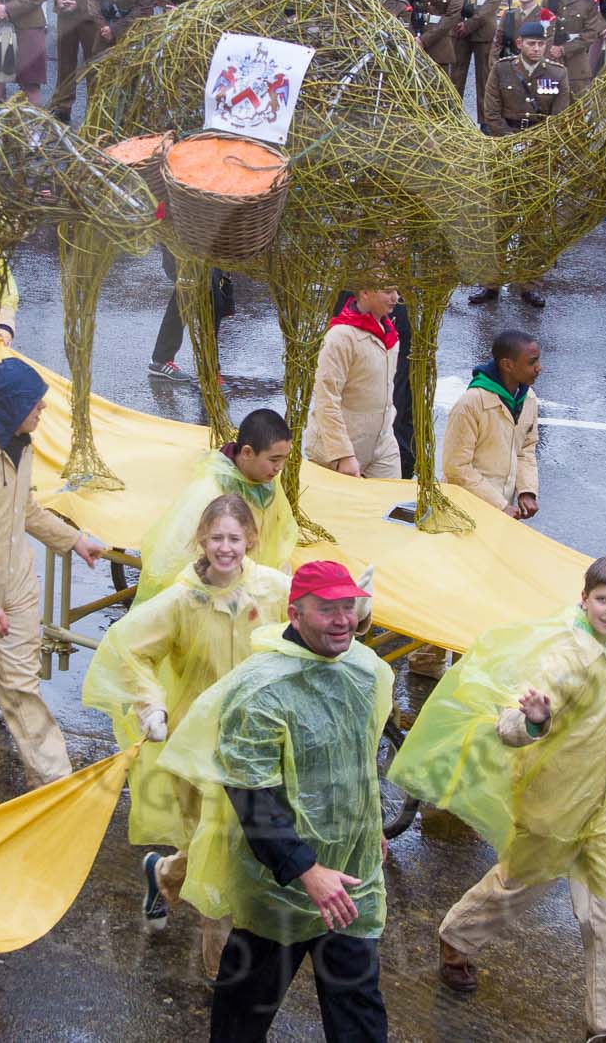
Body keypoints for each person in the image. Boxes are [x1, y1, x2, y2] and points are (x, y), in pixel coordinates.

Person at [393, 556, 606, 1039]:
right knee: (520, 882)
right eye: (603, 600)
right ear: (584, 599)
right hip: (555, 802)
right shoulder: (564, 659)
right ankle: (458, 935)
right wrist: (533, 719)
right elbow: (510, 725)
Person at [158, 561, 392, 1042]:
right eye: (327, 610)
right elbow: (250, 795)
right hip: (278, 884)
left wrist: (369, 830)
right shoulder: (261, 689)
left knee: (359, 1015)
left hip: (352, 877)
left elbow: (357, 761)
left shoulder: (363, 670)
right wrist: (306, 869)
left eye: (348, 607)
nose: (343, 620)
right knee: (244, 1014)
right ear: (295, 614)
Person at [88, 495, 290, 966]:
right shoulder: (182, 600)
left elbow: (312, 616)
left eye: (234, 538)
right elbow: (128, 647)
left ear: (250, 540)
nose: (226, 548)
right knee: (217, 854)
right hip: (198, 743)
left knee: (228, 847)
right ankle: (220, 972)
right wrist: (150, 704)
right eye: (216, 537)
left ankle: (164, 874)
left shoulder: (271, 588)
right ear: (202, 540)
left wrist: (356, 613)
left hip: (257, 740)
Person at [0, 358, 105, 787]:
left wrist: (74, 540)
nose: (43, 409)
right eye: (36, 402)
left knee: (21, 685)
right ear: (13, 405)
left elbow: (26, 510)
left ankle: (53, 782)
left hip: (17, 584)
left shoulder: (22, 445)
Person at [135, 409, 299, 607]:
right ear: (247, 452)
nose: (279, 467)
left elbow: (278, 537)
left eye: (284, 458)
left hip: (249, 582)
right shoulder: (211, 491)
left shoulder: (265, 480)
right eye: (274, 460)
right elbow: (182, 555)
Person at [441, 329, 540, 520]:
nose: (539, 368)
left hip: (503, 511)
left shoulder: (528, 398)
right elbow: (456, 467)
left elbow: (526, 449)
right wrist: (499, 505)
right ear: (507, 365)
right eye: (531, 362)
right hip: (464, 510)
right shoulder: (470, 404)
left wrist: (527, 490)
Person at [305, 287, 402, 479]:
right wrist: (343, 453)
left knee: (393, 497)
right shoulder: (341, 336)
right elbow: (326, 397)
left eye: (396, 291)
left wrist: (388, 422)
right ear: (365, 292)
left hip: (382, 445)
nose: (396, 297)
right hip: (338, 450)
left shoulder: (389, 332)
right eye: (388, 291)